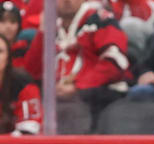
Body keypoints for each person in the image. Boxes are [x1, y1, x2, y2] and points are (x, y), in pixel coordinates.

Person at [24, 0, 133, 132]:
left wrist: (77, 85)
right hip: (58, 101)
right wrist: (43, 32)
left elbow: (115, 62)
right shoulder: (52, 26)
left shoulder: (100, 19)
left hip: (99, 98)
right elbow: (31, 72)